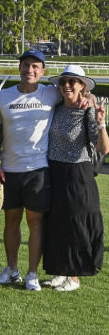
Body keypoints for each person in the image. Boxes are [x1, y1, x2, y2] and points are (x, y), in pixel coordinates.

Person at [0, 49, 61, 291]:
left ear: (42, 71)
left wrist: (89, 99)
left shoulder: (52, 94)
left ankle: (32, 274)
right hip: (9, 170)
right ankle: (12, 270)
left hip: (38, 170)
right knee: (11, 221)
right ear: (19, 68)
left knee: (35, 223)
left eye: (34, 67)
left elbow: (77, 93)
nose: (29, 70)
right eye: (25, 65)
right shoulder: (3, 97)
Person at [43, 65, 108, 291]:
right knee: (58, 223)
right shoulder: (57, 107)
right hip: (55, 170)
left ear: (82, 86)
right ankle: (61, 271)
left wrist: (101, 123)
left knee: (76, 225)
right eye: (63, 82)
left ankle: (74, 276)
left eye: (73, 81)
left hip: (78, 173)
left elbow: (104, 148)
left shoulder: (88, 110)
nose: (67, 86)